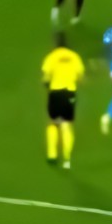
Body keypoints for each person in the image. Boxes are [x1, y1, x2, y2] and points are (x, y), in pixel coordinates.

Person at [41, 33, 85, 169]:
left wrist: (46, 83)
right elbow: (80, 76)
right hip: (69, 93)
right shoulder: (74, 56)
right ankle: (67, 158)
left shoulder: (52, 56)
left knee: (52, 123)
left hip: (55, 93)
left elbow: (45, 77)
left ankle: (52, 155)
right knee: (66, 125)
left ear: (55, 43)